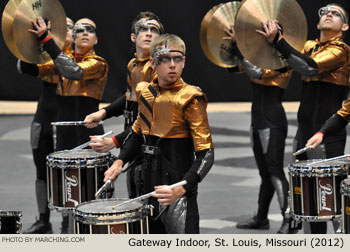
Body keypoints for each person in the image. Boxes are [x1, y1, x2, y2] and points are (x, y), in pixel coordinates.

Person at [103, 34, 214, 233]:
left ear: (184, 62)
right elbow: (137, 133)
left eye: (177, 59)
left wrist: (182, 188)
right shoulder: (146, 92)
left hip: (177, 192)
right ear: (153, 63)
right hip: (146, 187)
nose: (172, 65)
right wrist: (119, 162)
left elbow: (206, 154)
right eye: (165, 59)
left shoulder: (191, 98)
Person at [258, 3, 350, 233]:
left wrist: (279, 41)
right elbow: (283, 60)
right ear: (317, 23)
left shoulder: (342, 50)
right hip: (303, 132)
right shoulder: (308, 45)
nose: (328, 14)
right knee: (309, 204)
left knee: (331, 204)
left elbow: (310, 68)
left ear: (345, 26)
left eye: (336, 13)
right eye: (324, 12)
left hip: (328, 134)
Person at [19, 16, 108, 233]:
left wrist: (47, 39)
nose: (85, 32)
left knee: (94, 187)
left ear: (97, 39)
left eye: (91, 30)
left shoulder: (98, 62)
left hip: (89, 133)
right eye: (80, 29)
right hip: (66, 133)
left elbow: (73, 71)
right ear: (74, 37)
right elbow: (29, 68)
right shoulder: (61, 59)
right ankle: (65, 228)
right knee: (68, 188)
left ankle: (95, 231)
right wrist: (24, 42)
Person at [84, 11, 163, 198]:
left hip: (150, 143)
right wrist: (103, 113)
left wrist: (115, 141)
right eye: (144, 29)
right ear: (133, 37)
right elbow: (129, 98)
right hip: (133, 140)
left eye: (154, 30)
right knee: (134, 195)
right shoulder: (133, 64)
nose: (149, 33)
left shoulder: (160, 68)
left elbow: (148, 119)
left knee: (149, 203)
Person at [223, 25, 294, 233]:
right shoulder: (260, 56)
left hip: (273, 121)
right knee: (265, 174)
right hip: (258, 121)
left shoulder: (284, 59)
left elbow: (256, 72)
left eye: (269, 32)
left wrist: (237, 47)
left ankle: (289, 220)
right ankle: (262, 218)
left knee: (274, 171)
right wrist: (232, 43)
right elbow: (231, 68)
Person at [18, 17, 74, 234]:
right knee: (41, 172)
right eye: (60, 27)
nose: (65, 30)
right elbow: (24, 67)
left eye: (69, 27)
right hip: (43, 119)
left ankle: (67, 221)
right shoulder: (46, 53)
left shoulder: (78, 58)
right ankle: (43, 220)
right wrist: (26, 44)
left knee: (67, 173)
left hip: (66, 122)